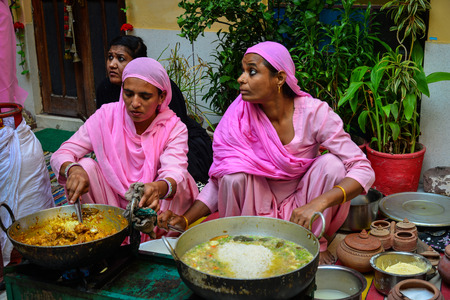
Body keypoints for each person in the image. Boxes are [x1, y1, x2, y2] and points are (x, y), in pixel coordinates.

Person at [158, 41, 375, 264]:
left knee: (332, 165)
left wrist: (317, 204)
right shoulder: (238, 118)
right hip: (254, 207)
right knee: (233, 175)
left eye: (252, 72)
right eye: (242, 72)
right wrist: (185, 219)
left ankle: (313, 242)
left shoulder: (314, 113)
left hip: (302, 207)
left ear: (279, 78)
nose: (242, 79)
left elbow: (363, 169)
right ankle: (243, 245)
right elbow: (218, 181)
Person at [50, 57, 199, 239]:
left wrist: (156, 188)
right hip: (114, 198)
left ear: (161, 97)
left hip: (157, 203)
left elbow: (174, 172)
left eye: (145, 96)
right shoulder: (106, 116)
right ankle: (105, 232)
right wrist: (72, 169)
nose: (135, 103)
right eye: (128, 94)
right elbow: (63, 152)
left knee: (173, 188)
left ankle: (156, 241)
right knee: (85, 166)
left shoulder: (173, 127)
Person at [96, 35, 213, 184]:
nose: (112, 64)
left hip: (167, 142)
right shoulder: (104, 89)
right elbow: (106, 130)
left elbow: (173, 128)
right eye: (110, 57)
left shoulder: (160, 88)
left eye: (120, 59)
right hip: (128, 144)